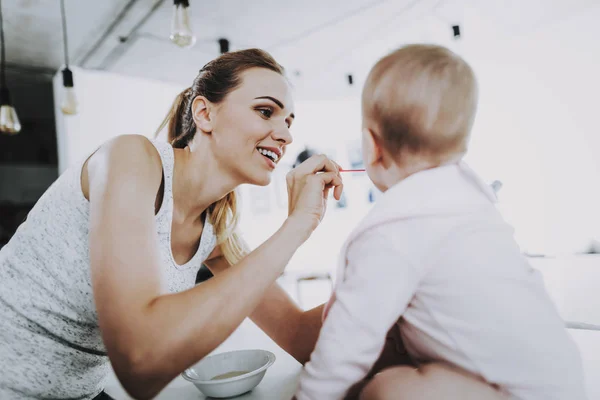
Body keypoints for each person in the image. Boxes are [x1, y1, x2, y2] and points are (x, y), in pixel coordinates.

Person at [0, 48, 345, 400]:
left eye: (288, 122)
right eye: (265, 111)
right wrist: (296, 226)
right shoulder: (130, 159)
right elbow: (141, 361)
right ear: (204, 113)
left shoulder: (215, 230)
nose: (285, 136)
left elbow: (301, 336)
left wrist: (391, 270)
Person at [294, 44, 587, 400]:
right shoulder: (473, 203)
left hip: (513, 394)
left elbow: (346, 345)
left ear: (372, 147)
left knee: (385, 387)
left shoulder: (391, 229)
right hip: (564, 381)